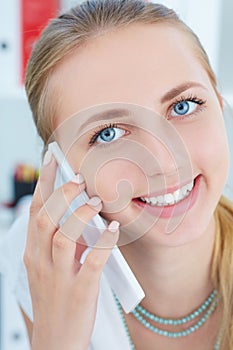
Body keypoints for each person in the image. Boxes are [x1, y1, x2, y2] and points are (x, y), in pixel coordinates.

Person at [1, 0, 233, 349]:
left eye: (182, 106)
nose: (165, 161)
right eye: (108, 133)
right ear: (62, 169)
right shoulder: (42, 259)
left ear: (218, 102)